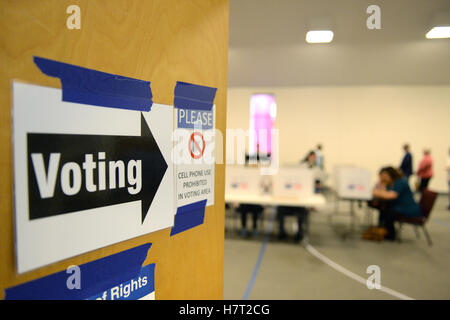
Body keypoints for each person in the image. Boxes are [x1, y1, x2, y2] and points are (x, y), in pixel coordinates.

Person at [372, 166, 422, 240]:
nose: (382, 178)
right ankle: (383, 229)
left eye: (383, 176)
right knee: (383, 208)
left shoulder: (400, 182)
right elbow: (382, 192)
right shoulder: (390, 183)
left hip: (407, 209)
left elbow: (391, 196)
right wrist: (380, 186)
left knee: (388, 212)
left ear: (389, 175)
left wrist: (376, 192)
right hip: (398, 206)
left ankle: (390, 235)